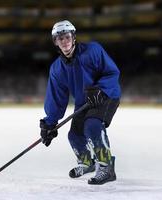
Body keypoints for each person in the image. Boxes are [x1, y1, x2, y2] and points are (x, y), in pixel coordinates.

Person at [39, 20, 121, 185]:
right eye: (59, 38)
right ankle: (87, 163)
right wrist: (49, 123)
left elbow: (112, 72)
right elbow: (56, 97)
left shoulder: (93, 51)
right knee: (74, 136)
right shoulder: (57, 69)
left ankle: (106, 167)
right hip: (85, 102)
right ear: (55, 42)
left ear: (74, 37)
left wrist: (101, 89)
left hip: (106, 95)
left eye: (67, 36)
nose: (64, 41)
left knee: (92, 126)